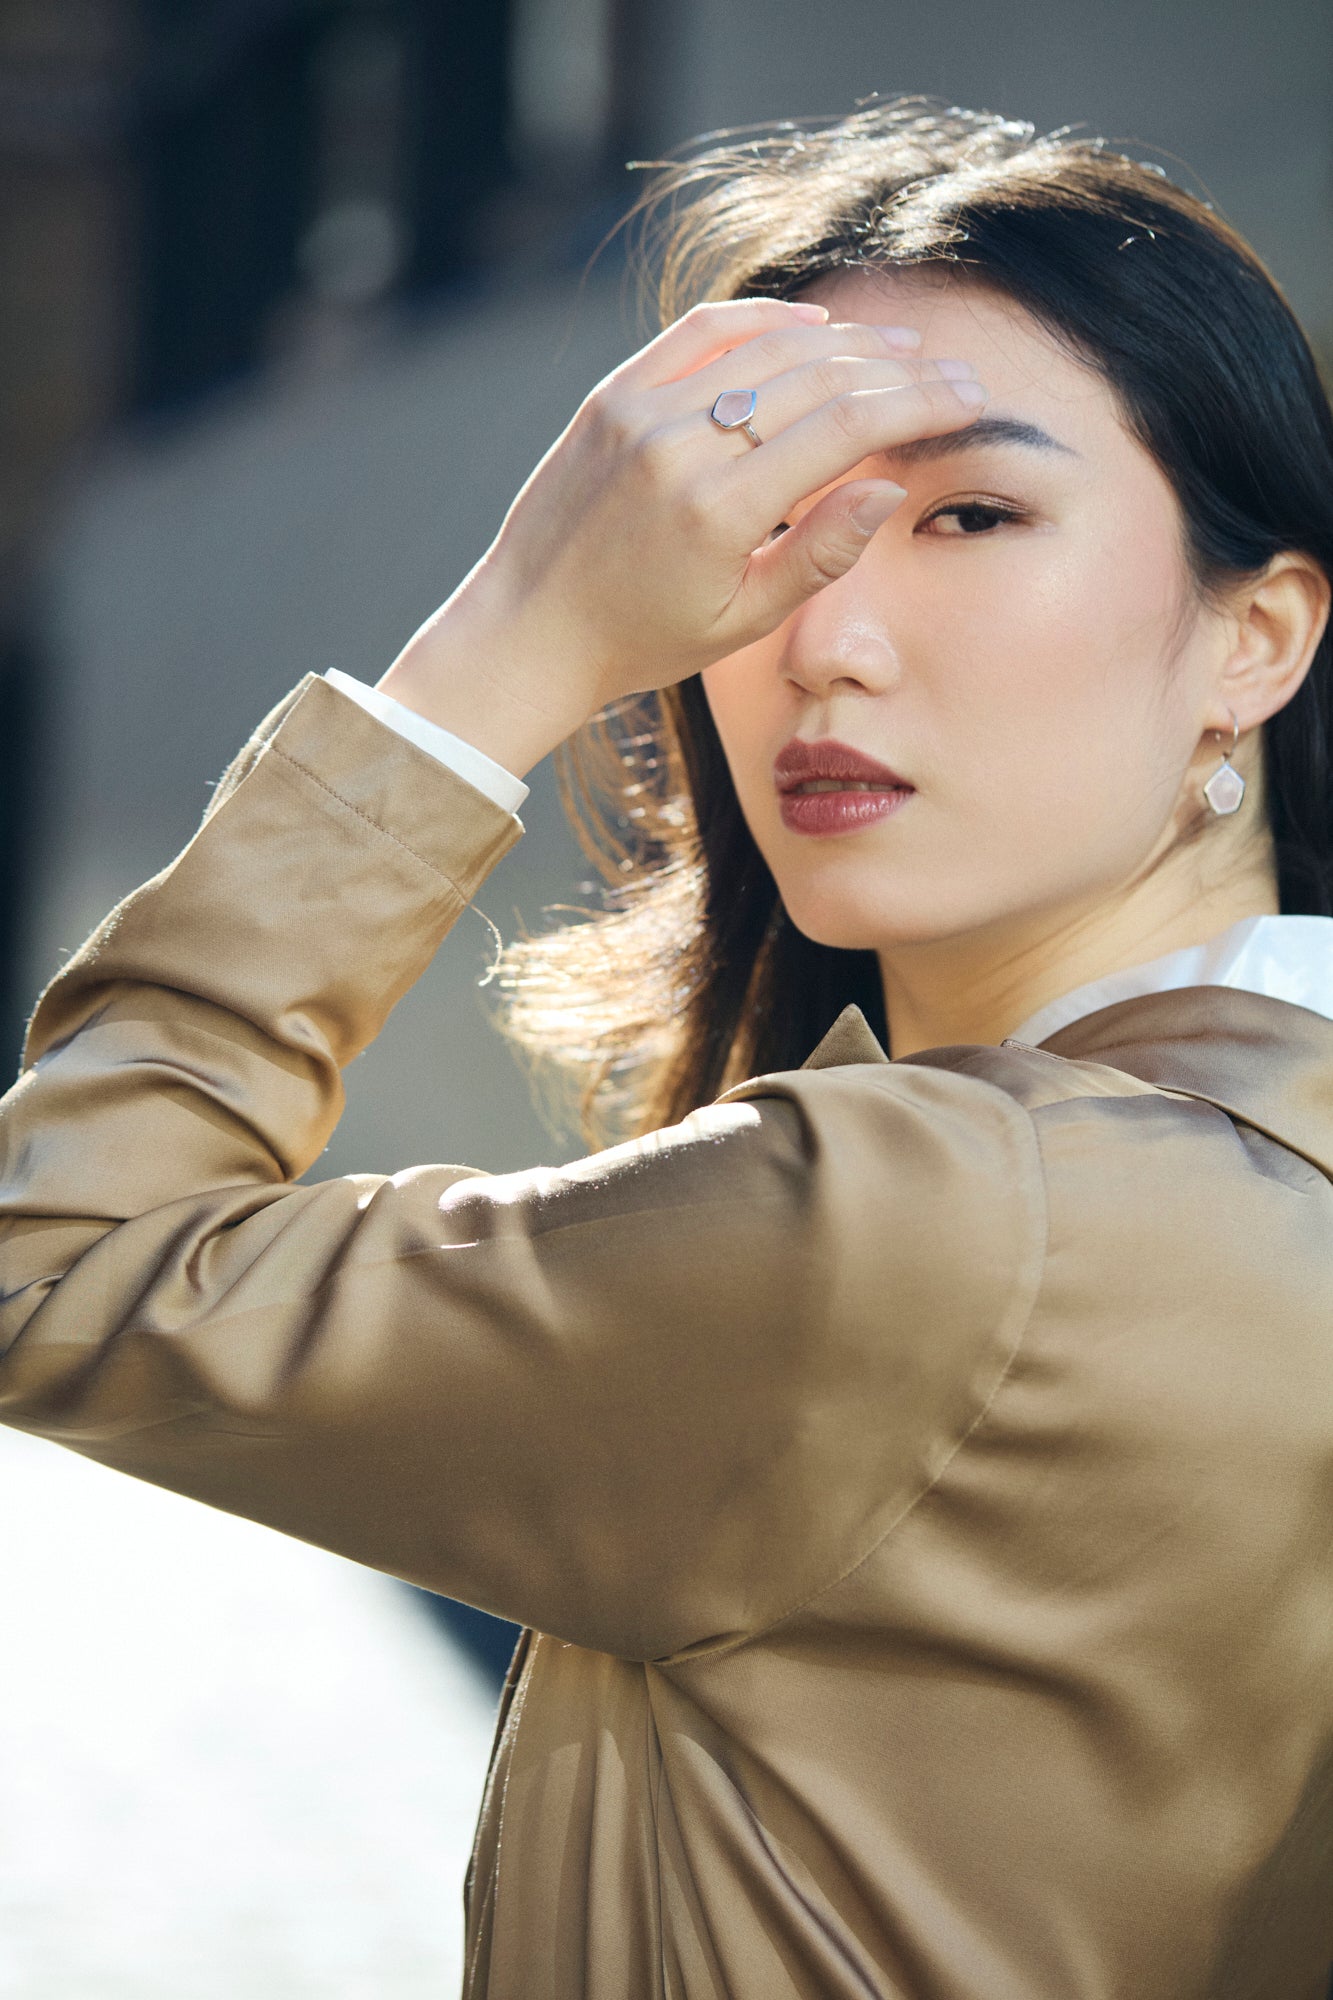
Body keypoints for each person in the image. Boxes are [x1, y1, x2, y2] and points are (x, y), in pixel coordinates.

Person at [2, 97, 1333, 1999]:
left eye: (970, 512)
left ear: (1253, 636)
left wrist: (515, 634)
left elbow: (50, 1262)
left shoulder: (926, 1221)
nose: (825, 635)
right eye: (776, 531)